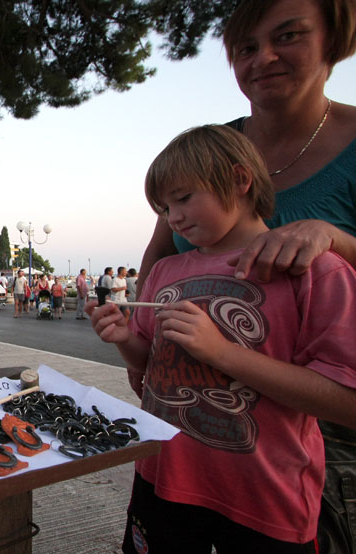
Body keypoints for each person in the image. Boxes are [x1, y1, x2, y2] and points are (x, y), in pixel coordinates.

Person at [136, 2, 356, 551]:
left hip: (294, 461)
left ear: (334, 38)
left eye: (288, 36)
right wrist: (135, 343)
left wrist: (334, 237)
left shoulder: (324, 272)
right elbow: (157, 274)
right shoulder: (203, 148)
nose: (264, 58)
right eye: (245, 48)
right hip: (180, 459)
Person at [92, 124, 356, 553]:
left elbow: (346, 400)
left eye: (183, 198)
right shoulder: (164, 272)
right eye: (163, 208)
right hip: (163, 479)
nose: (173, 217)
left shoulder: (313, 270)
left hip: (266, 502)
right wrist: (123, 338)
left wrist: (221, 353)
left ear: (239, 180)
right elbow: (147, 365)